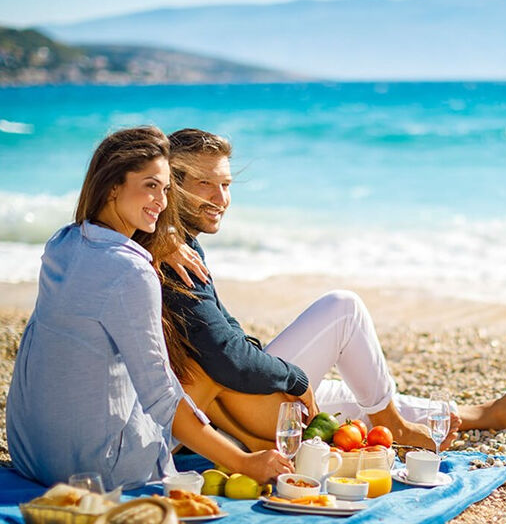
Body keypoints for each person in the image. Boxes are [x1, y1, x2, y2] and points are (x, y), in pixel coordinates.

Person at [162, 128, 506, 452]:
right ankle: (393, 424)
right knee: (344, 309)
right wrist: (293, 377)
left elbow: (220, 338)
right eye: (204, 184)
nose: (221, 199)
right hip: (226, 411)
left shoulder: (167, 242)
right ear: (172, 186)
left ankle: (487, 414)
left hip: (226, 406)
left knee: (341, 397)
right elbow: (226, 355)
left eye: (225, 185)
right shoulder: (173, 254)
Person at [6, 127, 293, 489]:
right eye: (150, 186)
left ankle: (250, 442)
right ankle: (254, 448)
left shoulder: (63, 243)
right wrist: (243, 464)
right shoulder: (133, 270)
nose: (162, 201)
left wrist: (165, 238)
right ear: (112, 186)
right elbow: (162, 397)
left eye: (167, 189)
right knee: (198, 371)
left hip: (30, 451)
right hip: (97, 469)